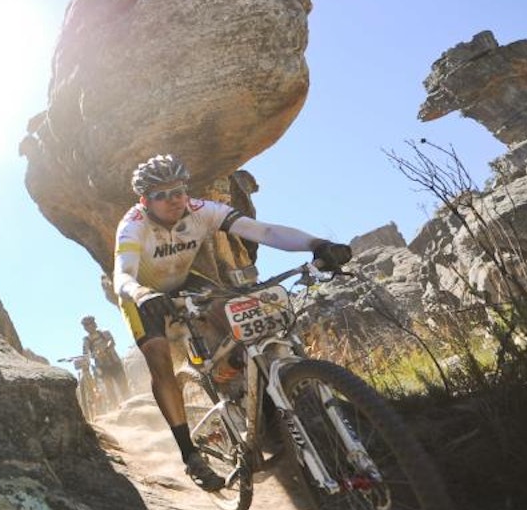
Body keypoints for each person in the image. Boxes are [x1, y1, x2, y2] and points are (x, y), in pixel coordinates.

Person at [113, 154, 353, 492]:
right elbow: (122, 273)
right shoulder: (133, 224)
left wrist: (317, 244)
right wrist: (140, 295)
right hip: (143, 293)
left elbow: (264, 230)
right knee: (159, 358)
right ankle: (190, 455)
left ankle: (247, 391)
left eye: (178, 191)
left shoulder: (201, 210)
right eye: (161, 195)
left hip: (185, 281)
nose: (173, 200)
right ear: (144, 200)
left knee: (236, 312)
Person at [81, 315, 129, 407]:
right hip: (102, 366)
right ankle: (115, 406)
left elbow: (111, 342)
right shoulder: (86, 340)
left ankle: (129, 402)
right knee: (109, 388)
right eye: (86, 325)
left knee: (123, 384)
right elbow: (85, 353)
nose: (89, 327)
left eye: (90, 324)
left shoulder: (104, 333)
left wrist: (105, 349)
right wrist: (90, 356)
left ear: (94, 324)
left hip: (114, 362)